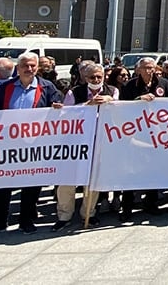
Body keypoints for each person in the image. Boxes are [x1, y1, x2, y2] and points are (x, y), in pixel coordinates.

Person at [0, 52, 64, 238]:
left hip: (34, 144)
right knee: (3, 184)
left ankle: (26, 220)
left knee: (31, 185)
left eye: (33, 65)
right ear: (17, 68)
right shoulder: (6, 87)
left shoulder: (47, 87)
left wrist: (58, 108)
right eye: (25, 65)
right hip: (8, 144)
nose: (29, 69)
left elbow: (57, 106)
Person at [53, 61, 116, 231]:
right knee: (67, 180)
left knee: (93, 179)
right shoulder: (74, 92)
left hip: (99, 140)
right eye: (92, 77)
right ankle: (64, 215)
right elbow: (66, 114)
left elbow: (119, 110)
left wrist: (110, 100)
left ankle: (89, 213)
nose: (96, 80)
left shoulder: (112, 91)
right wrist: (87, 105)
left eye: (99, 77)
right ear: (85, 78)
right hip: (76, 141)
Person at [118, 56, 168, 220]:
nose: (149, 71)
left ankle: (151, 203)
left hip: (157, 134)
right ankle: (127, 207)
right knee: (131, 172)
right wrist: (138, 100)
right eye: (146, 68)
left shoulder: (163, 83)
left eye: (152, 67)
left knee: (153, 170)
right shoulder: (130, 85)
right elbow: (121, 107)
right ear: (138, 70)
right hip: (136, 133)